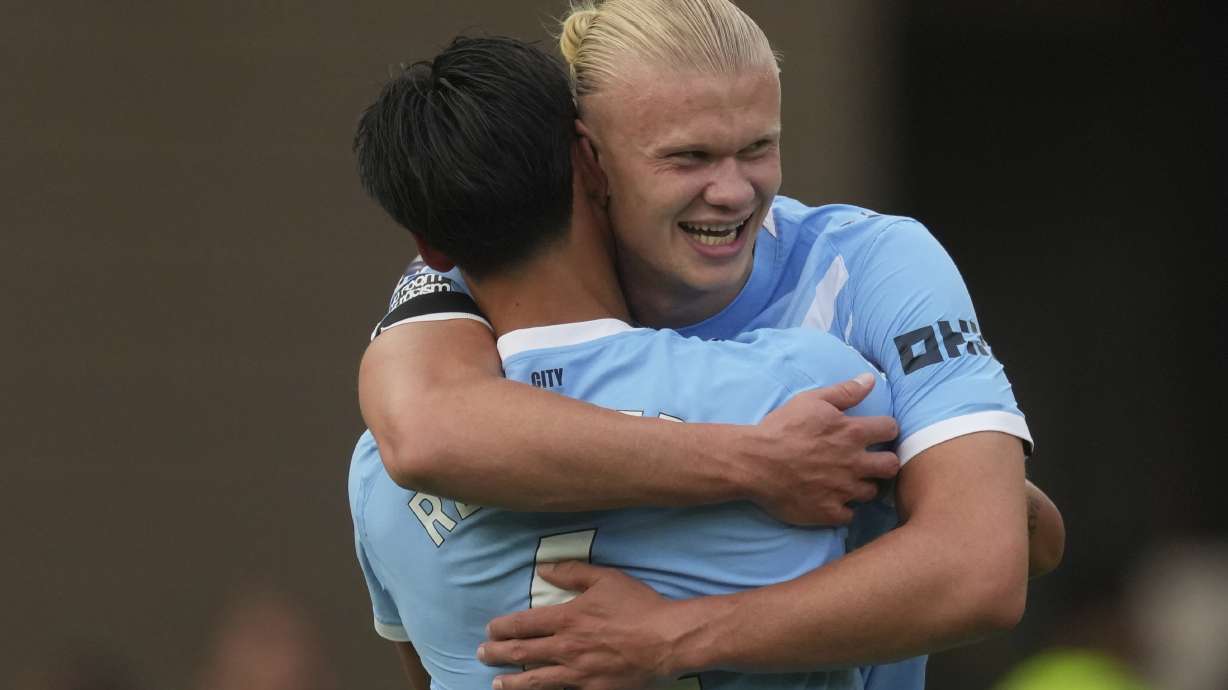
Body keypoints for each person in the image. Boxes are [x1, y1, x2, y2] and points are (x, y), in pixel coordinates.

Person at [357, 1, 1064, 688]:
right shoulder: (480, 273)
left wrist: (671, 635)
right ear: (588, 161)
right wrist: (759, 463)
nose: (732, 191)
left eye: (758, 147)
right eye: (687, 157)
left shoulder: (873, 265)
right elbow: (423, 436)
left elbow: (995, 557)